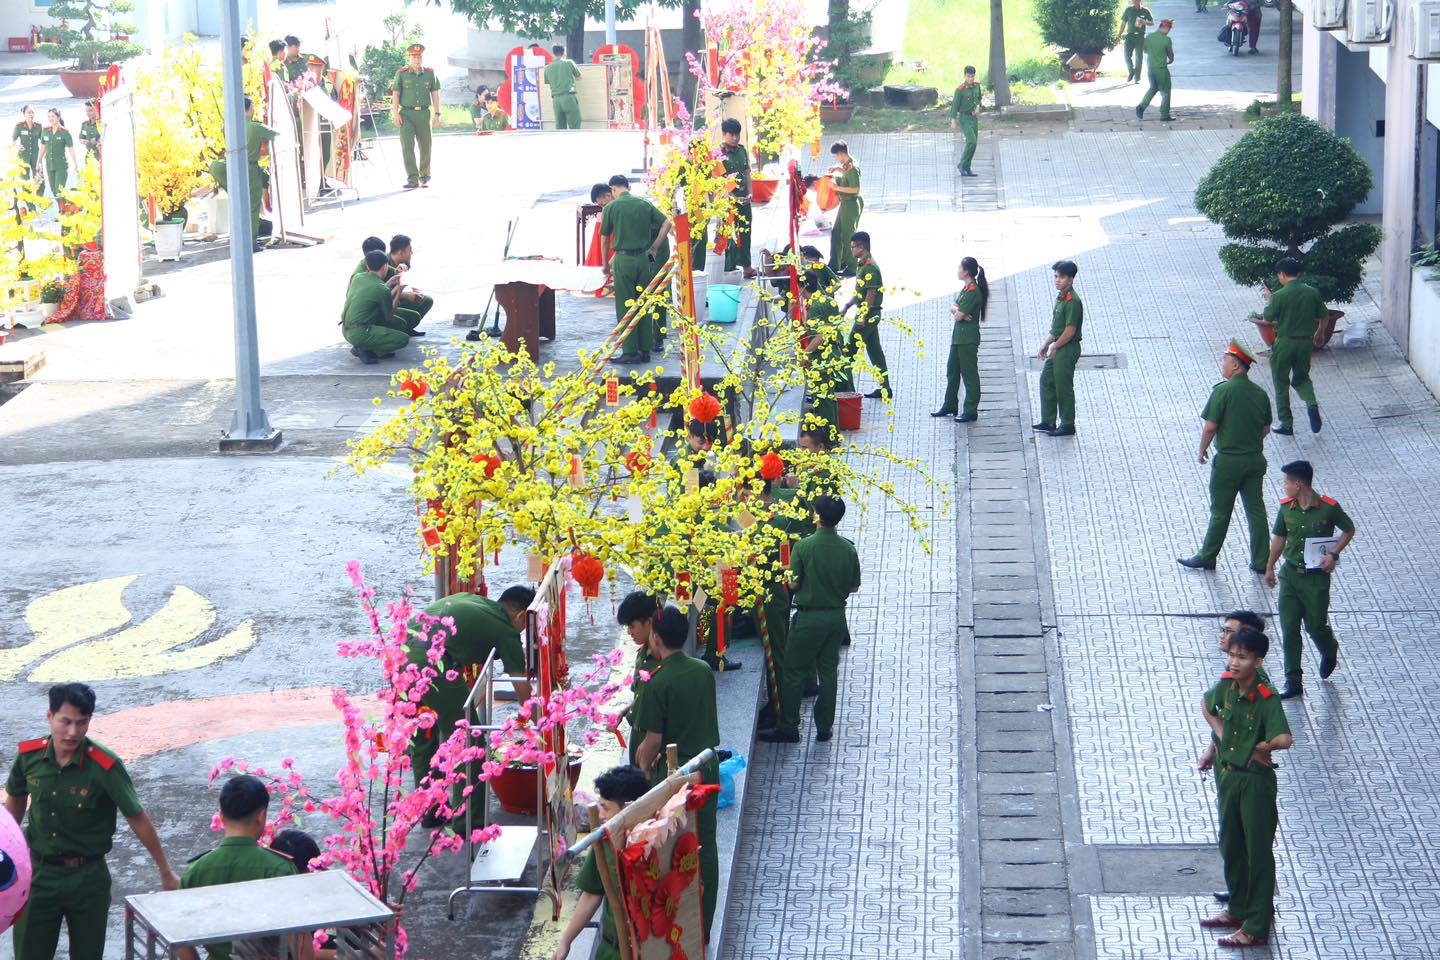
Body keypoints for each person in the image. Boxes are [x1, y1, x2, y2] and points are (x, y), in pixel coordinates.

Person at [5, 683, 181, 960]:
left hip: (87, 879)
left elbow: (137, 816)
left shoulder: (105, 766)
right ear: (49, 716)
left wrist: (165, 870)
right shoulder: (29, 757)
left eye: (82, 722)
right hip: (39, 876)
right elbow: (15, 800)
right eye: (66, 721)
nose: (73, 732)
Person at [407, 588, 534, 827]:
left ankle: (430, 809)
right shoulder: (505, 630)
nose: (524, 630)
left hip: (401, 654)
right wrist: (536, 722)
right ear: (521, 615)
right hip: (434, 665)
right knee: (469, 741)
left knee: (425, 734)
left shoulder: (474, 601)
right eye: (526, 625)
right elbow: (522, 688)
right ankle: (467, 822)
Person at [1199, 625, 1292, 949]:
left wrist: (1259, 748)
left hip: (1254, 782)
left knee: (1257, 854)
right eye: (1232, 656)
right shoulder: (1226, 685)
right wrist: (1226, 742)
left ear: (1259, 661)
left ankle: (1256, 926)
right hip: (1229, 776)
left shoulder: (1265, 696)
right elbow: (1207, 707)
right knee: (1231, 845)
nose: (1235, 662)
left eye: (1243, 657)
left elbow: (1285, 738)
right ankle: (1237, 909)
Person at [633, 606, 721, 938]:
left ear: (655, 637)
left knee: (673, 849)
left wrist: (642, 768)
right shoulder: (701, 670)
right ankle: (706, 926)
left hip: (677, 775)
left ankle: (680, 928)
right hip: (707, 768)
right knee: (706, 845)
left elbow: (652, 742)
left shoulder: (658, 682)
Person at [760, 494, 861, 746]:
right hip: (836, 617)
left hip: (808, 618)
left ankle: (789, 726)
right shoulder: (848, 548)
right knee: (829, 672)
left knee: (794, 671)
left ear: (817, 516)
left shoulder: (803, 547)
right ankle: (824, 727)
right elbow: (853, 587)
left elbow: (793, 582)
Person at [179, 775, 299, 960]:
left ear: (221, 816)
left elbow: (181, 938)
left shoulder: (196, 871)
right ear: (261, 816)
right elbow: (299, 942)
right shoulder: (280, 869)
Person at [1264, 460, 1355, 699]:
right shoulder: (1286, 509)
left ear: (1299, 483)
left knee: (1315, 625)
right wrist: (1270, 567)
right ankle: (1293, 680)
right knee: (1290, 629)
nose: (1283, 486)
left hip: (1316, 579)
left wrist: (1334, 555)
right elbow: (1279, 539)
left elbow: (1349, 529)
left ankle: (1329, 648)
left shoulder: (1328, 507)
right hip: (1291, 575)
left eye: (1286, 482)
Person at [1178, 341, 1272, 572]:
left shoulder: (1223, 391)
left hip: (1228, 462)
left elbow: (1210, 427)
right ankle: (1261, 561)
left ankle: (1207, 556)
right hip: (1254, 460)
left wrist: (1202, 450)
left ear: (1236, 366)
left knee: (1220, 512)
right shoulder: (1260, 394)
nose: (1223, 364)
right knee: (1256, 511)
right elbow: (1266, 429)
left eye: (1226, 360)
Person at [550, 764, 651, 960]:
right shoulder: (604, 843)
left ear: (630, 807)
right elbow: (591, 894)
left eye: (606, 808)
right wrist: (566, 941)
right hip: (612, 949)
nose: (601, 815)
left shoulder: (663, 835)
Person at [599, 174, 671, 364]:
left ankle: (630, 351)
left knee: (626, 304)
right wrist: (654, 247)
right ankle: (645, 349)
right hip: (643, 258)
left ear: (613, 189)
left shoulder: (611, 207)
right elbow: (667, 223)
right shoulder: (643, 204)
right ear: (627, 187)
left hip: (623, 259)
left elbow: (605, 238)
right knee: (644, 303)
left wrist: (606, 264)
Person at [1261, 257, 1328, 435]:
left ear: (1282, 275)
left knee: (1281, 383)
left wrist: (1269, 299)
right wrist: (1319, 333)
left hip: (1284, 343)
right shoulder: (1311, 292)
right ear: (1298, 273)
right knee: (1302, 378)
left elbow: (1267, 319)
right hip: (1305, 343)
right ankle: (1311, 404)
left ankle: (1287, 424)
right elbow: (1324, 315)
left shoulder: (1279, 295)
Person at [934, 256, 988, 422]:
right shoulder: (966, 289)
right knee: (952, 371)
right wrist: (958, 312)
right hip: (958, 338)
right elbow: (955, 308)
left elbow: (957, 315)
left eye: (960, 268)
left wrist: (958, 313)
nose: (958, 270)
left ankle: (971, 409)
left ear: (966, 271)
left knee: (969, 375)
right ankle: (950, 404)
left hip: (968, 340)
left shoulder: (973, 291)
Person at [1033, 260, 1083, 437]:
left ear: (1071, 279)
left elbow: (1070, 330)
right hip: (1059, 347)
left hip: (1067, 349)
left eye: (1061, 277)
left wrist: (1055, 346)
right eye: (1055, 276)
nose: (1057, 280)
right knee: (1047, 380)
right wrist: (1046, 344)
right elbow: (1057, 328)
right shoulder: (1061, 297)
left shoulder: (1072, 301)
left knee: (1063, 386)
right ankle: (1048, 421)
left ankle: (1067, 424)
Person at [842, 231, 891, 400]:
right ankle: (885, 387)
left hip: (868, 315)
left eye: (853, 247)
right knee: (875, 351)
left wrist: (862, 316)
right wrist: (847, 306)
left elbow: (870, 294)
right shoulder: (862, 264)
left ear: (861, 247)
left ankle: (846, 390)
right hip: (868, 314)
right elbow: (860, 290)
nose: (852, 250)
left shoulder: (869, 266)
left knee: (849, 351)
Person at [616, 592, 664, 766]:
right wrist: (624, 712)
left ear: (649, 623)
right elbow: (642, 695)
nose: (629, 632)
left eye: (632, 626)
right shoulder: (642, 654)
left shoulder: (663, 660)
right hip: (637, 735)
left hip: (652, 741)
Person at [343, 249, 410, 363]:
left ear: (368, 266)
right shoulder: (381, 288)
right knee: (403, 339)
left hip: (346, 329)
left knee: (400, 323)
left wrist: (390, 281)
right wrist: (399, 289)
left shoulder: (358, 277)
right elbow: (389, 316)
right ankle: (365, 348)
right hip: (360, 333)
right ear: (385, 267)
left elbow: (375, 289)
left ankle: (369, 347)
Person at [390, 43, 441, 190]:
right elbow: (396, 94)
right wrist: (395, 114)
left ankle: (425, 176)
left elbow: (435, 94)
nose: (416, 60)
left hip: (424, 114)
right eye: (414, 57)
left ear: (422, 57)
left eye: (419, 57)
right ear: (409, 58)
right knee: (407, 146)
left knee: (426, 145)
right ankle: (412, 178)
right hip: (406, 114)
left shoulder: (430, 74)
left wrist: (437, 114)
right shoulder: (402, 73)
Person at [716, 118, 755, 276]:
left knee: (745, 233)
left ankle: (747, 267)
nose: (735, 138)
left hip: (745, 200)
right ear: (724, 134)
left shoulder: (742, 151)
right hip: (728, 202)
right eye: (731, 135)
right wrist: (733, 198)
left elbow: (747, 173)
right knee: (728, 234)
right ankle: (727, 269)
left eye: (737, 135)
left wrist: (750, 193)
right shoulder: (718, 154)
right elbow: (720, 182)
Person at [241, 97, 277, 248]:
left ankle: (242, 240)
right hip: (250, 168)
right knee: (254, 206)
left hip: (237, 168)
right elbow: (277, 134)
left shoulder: (229, 126)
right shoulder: (255, 127)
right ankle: (252, 243)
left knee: (242, 205)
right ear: (248, 109)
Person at [826, 141, 863, 276]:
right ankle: (836, 263)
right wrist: (838, 169)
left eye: (836, 156)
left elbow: (855, 189)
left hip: (851, 204)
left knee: (848, 236)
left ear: (841, 154)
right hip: (845, 204)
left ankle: (852, 266)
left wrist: (836, 188)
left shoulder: (852, 167)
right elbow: (846, 173)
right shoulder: (847, 165)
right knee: (836, 233)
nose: (837, 159)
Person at [389, 234, 433, 332]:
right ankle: (399, 329)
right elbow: (382, 294)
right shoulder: (384, 265)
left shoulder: (404, 264)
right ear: (401, 252)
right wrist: (407, 296)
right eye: (409, 250)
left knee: (427, 300)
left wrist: (417, 292)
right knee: (414, 316)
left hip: (396, 299)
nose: (411, 253)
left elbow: (412, 283)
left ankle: (407, 329)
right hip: (384, 305)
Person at [1136, 19, 1175, 122]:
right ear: (1166, 28)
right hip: (1161, 69)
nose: (1169, 31)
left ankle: (1141, 107)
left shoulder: (1149, 37)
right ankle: (1164, 114)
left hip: (1150, 68)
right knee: (1166, 92)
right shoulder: (1166, 40)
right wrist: (1171, 60)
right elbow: (1170, 55)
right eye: (1169, 29)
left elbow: (1144, 50)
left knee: (1153, 88)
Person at [949, 66, 982, 176]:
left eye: (972, 77)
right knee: (971, 141)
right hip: (964, 119)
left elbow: (979, 99)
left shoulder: (977, 86)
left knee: (974, 144)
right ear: (964, 76)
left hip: (974, 119)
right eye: (968, 77)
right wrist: (953, 120)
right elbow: (955, 106)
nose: (970, 79)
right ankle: (962, 164)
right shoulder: (960, 90)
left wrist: (978, 107)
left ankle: (967, 167)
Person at [544, 45, 583, 130]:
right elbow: (579, 77)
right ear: (564, 52)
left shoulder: (547, 68)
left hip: (556, 100)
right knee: (575, 125)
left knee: (560, 127)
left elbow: (548, 82)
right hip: (569, 97)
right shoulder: (569, 63)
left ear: (553, 54)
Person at [38, 109, 77, 196]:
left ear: (58, 117)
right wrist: (38, 162)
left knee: (59, 191)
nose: (50, 119)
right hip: (49, 165)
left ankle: (66, 208)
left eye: (53, 116)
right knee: (53, 191)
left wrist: (75, 164)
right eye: (48, 116)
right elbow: (43, 148)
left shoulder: (65, 132)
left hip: (61, 166)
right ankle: (62, 209)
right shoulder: (45, 131)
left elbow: (71, 149)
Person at [1118, 0, 1155, 83]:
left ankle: (1137, 77)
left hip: (1140, 37)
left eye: (1136, 0)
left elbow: (1152, 22)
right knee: (1126, 56)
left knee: (1139, 57)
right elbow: (1123, 23)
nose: (1135, 1)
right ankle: (1131, 72)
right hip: (1130, 36)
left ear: (1140, 1)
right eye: (1133, 0)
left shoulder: (1145, 10)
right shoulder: (1128, 10)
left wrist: (1145, 22)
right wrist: (1119, 35)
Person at [11, 105, 42, 188]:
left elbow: (44, 142)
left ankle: (39, 199)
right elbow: (12, 142)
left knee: (39, 181)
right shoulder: (19, 126)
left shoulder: (39, 126)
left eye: (32, 112)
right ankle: (29, 201)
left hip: (36, 157)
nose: (31, 114)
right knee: (25, 182)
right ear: (24, 114)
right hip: (23, 157)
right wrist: (17, 146)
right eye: (29, 112)